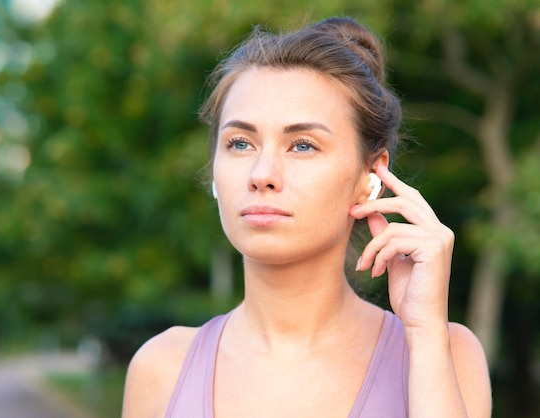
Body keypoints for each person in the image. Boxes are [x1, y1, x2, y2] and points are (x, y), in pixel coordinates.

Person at [122, 16, 492, 418]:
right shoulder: (161, 368)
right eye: (240, 143)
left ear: (370, 177)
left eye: (301, 146)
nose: (261, 175)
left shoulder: (445, 354)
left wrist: (424, 337)